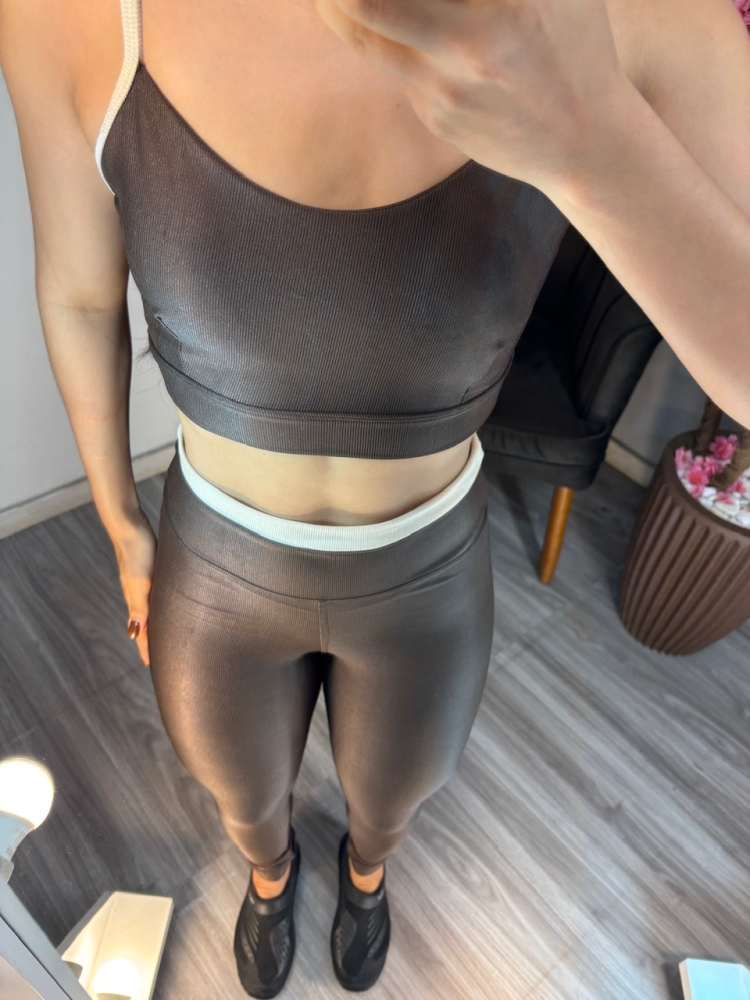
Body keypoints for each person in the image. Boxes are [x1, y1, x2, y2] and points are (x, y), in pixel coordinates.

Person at [3, 0, 750, 995]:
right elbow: (79, 293)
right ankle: (271, 880)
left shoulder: (645, 18)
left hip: (426, 567)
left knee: (394, 799)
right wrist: (120, 523)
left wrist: (596, 143)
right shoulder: (66, 14)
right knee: (243, 798)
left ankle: (365, 878)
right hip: (217, 561)